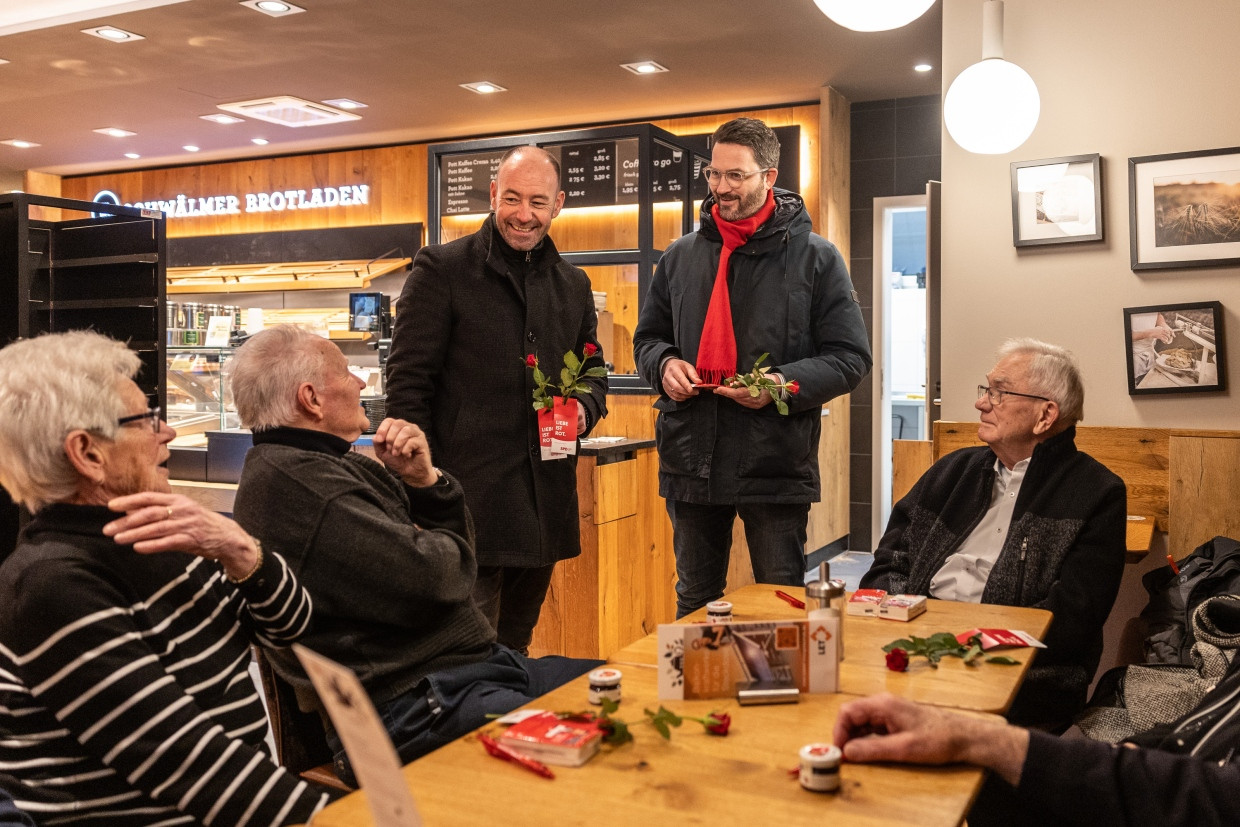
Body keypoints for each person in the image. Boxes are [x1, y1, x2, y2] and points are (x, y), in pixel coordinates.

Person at [229, 325, 602, 786]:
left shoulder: (328, 465)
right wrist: (435, 539)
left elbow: (445, 561)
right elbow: (445, 578)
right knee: (605, 741)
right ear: (311, 398)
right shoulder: (303, 487)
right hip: (409, 711)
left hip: (457, 680)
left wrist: (426, 482)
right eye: (346, 373)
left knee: (627, 689)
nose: (362, 383)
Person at [0, 331, 331, 826]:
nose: (168, 432)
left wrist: (240, 551)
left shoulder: (168, 531)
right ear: (87, 453)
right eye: (145, 420)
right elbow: (188, 765)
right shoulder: (53, 583)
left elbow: (297, 630)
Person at [632, 117, 872, 618]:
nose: (721, 188)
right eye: (713, 174)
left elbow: (850, 358)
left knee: (779, 605)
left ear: (769, 175)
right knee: (695, 601)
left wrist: (780, 385)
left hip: (774, 463)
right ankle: (695, 697)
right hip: (691, 458)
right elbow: (649, 339)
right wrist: (665, 364)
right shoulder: (679, 257)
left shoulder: (817, 259)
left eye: (735, 176)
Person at [385, 145, 607, 653]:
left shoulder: (573, 285)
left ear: (558, 205)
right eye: (511, 198)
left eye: (537, 201)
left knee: (515, 651)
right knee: (463, 656)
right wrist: (423, 490)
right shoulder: (441, 269)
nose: (523, 214)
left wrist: (582, 413)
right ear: (492, 196)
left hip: (543, 507)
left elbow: (594, 371)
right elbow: (408, 384)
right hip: (465, 508)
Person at [860, 338, 1126, 730]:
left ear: (1045, 414)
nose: (981, 403)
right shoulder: (953, 471)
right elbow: (890, 561)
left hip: (1020, 674)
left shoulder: (1096, 492)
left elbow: (1072, 621)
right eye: (986, 390)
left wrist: (965, 647)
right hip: (917, 645)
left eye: (999, 392)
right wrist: (910, 623)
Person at [834, 663, 1240, 827]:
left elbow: (1216, 801)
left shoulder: (1095, 491)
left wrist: (980, 736)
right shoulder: (948, 478)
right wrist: (1137, 749)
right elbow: (1200, 721)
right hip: (1150, 782)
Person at [1129, 310, 1173, 383]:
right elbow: (1122, 336)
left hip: (1149, 353)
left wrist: (1164, 325)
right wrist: (1150, 333)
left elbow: (1157, 314)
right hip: (1133, 358)